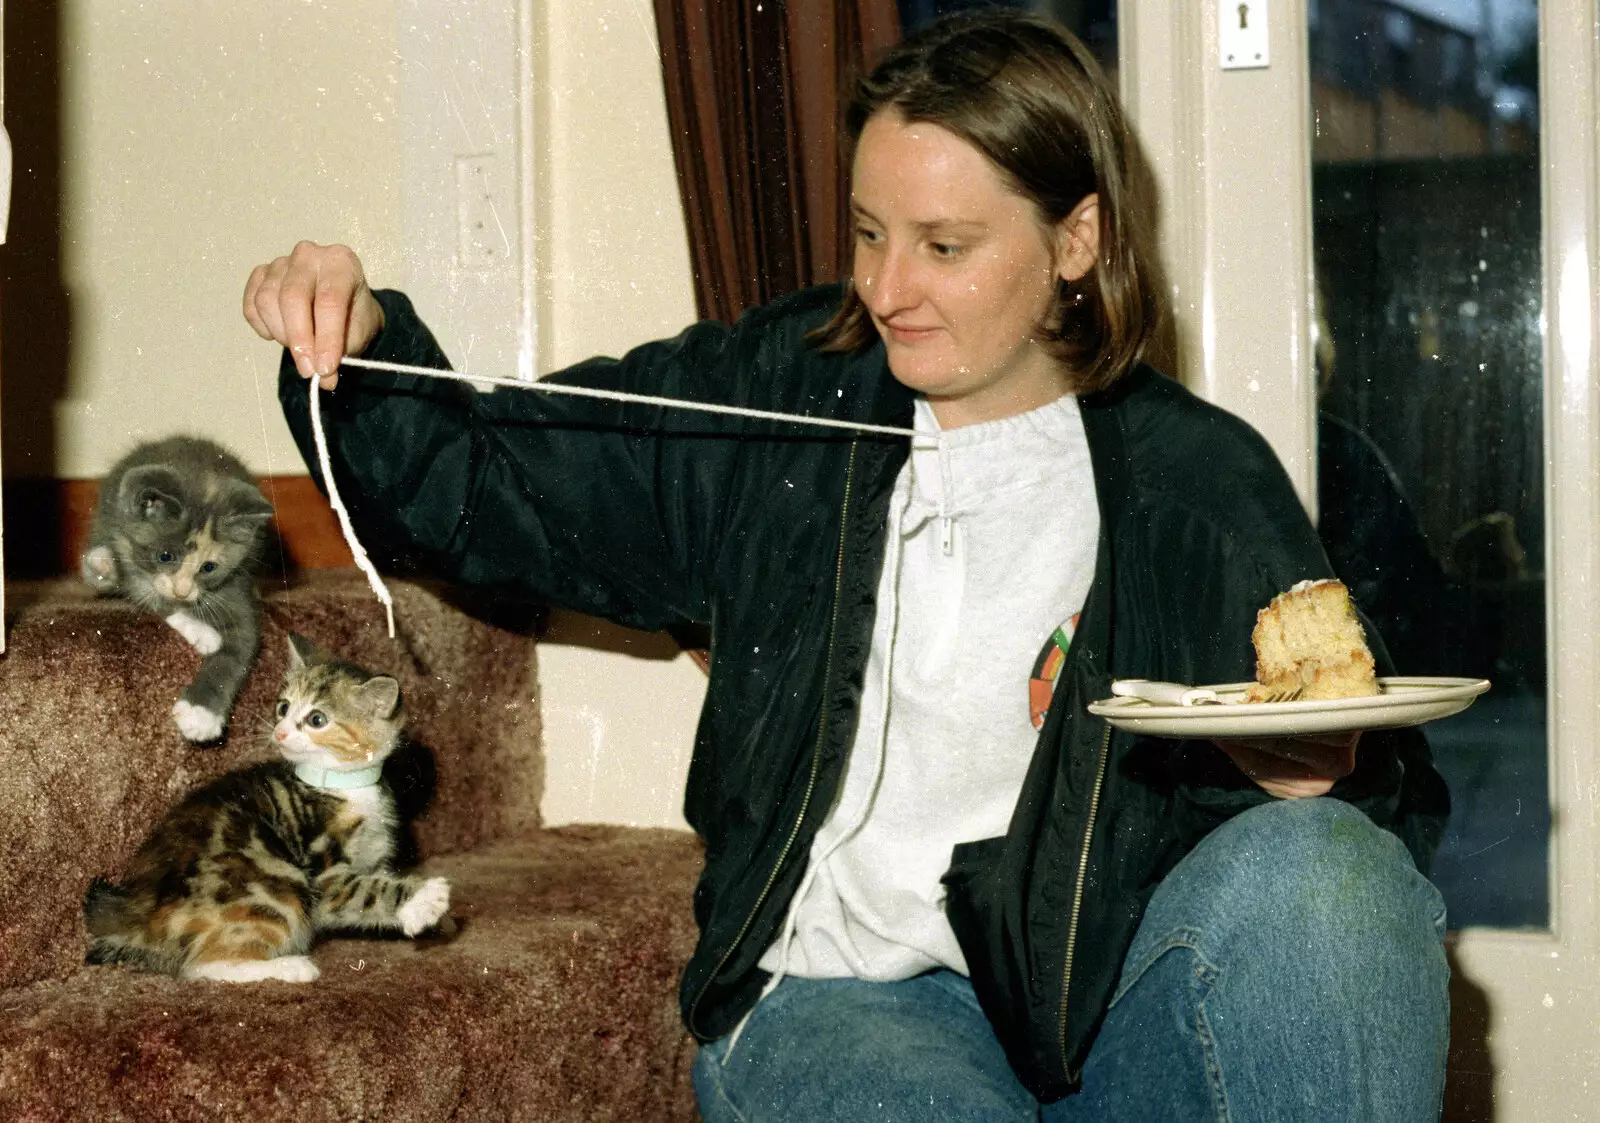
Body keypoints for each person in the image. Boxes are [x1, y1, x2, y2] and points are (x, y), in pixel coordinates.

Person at [244, 12, 1450, 1121]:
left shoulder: (1197, 476)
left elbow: (1380, 791)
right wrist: (361, 347)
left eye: (943, 244)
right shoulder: (782, 393)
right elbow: (487, 482)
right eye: (869, 233)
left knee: (1332, 872)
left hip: (1096, 1004)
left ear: (1076, 238)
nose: (883, 288)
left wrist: (1315, 778)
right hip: (842, 1001)